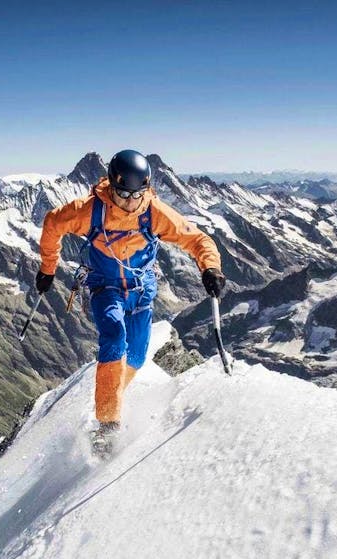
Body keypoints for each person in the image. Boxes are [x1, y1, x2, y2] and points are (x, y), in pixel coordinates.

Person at [36, 149, 225, 456]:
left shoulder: (154, 212)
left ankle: (111, 396)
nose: (129, 201)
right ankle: (107, 427)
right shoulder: (90, 209)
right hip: (105, 288)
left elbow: (197, 239)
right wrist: (48, 269)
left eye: (136, 194)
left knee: (136, 356)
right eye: (122, 193)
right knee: (114, 338)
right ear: (111, 185)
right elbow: (53, 223)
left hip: (141, 292)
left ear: (146, 189)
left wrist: (211, 267)